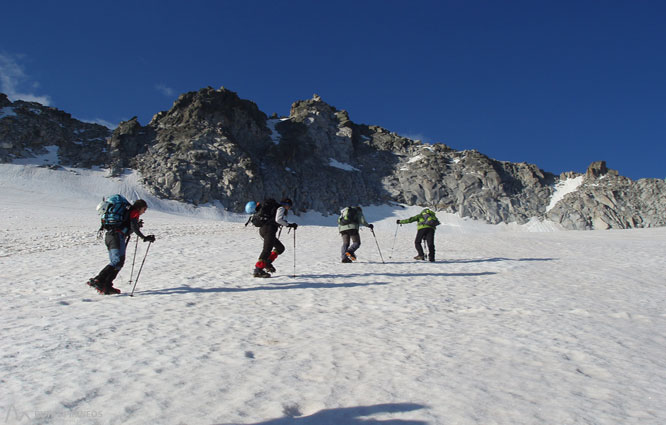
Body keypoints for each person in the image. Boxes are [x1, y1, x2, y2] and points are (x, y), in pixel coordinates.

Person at [88, 199, 155, 294]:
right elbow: (133, 227)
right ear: (139, 207)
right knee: (117, 261)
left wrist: (136, 225)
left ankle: (106, 285)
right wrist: (144, 237)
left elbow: (129, 227)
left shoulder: (126, 212)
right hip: (117, 237)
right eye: (144, 209)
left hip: (110, 237)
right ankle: (99, 280)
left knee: (118, 262)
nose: (144, 211)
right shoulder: (134, 211)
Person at [253, 198, 297, 278]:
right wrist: (289, 225)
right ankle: (258, 269)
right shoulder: (281, 208)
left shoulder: (277, 208)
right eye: (289, 206)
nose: (289, 208)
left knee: (280, 248)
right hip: (268, 230)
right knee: (267, 249)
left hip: (265, 230)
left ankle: (267, 263)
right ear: (286, 205)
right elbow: (278, 220)